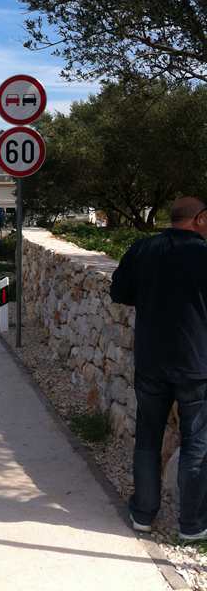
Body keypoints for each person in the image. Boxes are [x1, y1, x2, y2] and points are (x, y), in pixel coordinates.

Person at [110, 197, 207, 541]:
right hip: (197, 365)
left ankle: (143, 514)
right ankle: (192, 525)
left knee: (148, 438)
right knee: (196, 442)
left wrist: (153, 297)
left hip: (151, 361)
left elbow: (119, 291)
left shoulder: (143, 249)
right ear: (200, 219)